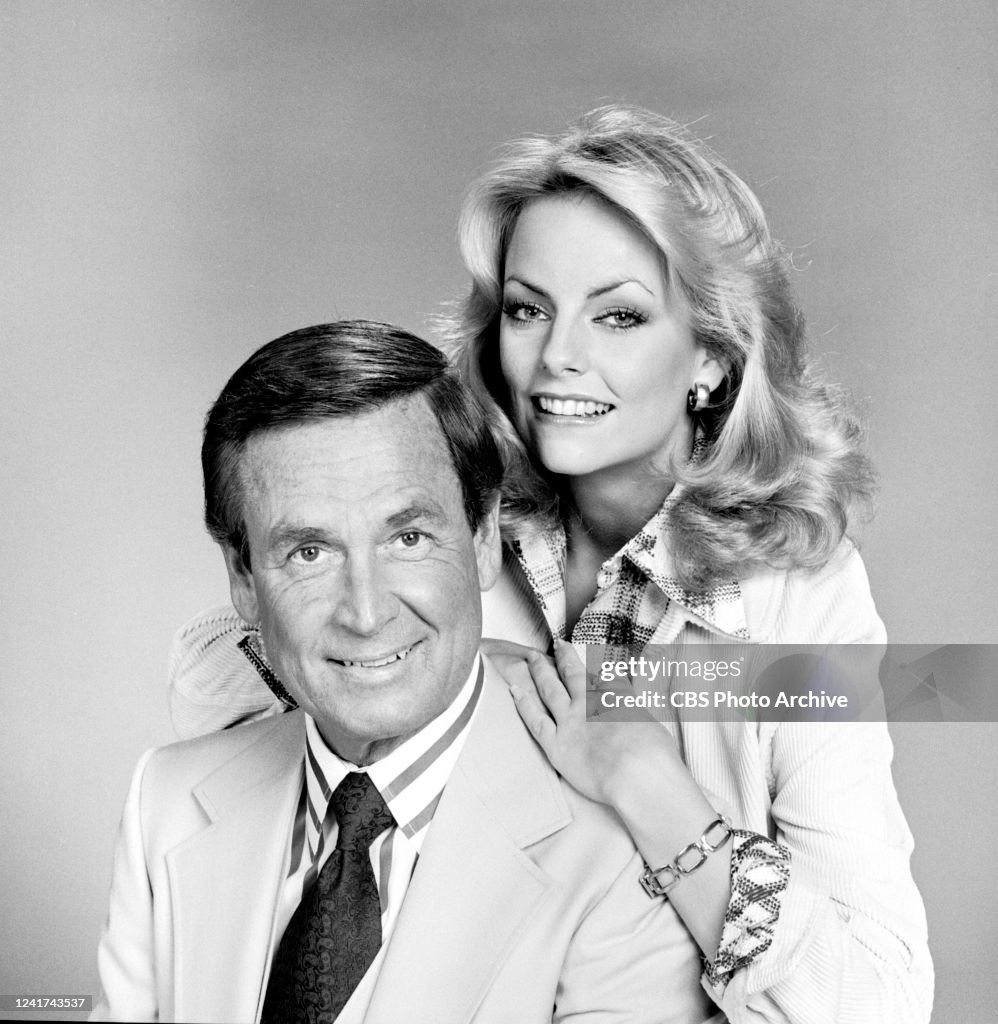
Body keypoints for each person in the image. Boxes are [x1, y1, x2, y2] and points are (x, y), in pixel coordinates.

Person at [168, 108, 933, 1023]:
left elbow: (878, 999)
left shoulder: (797, 601)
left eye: (618, 315)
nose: (557, 356)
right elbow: (215, 686)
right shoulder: (460, 518)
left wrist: (647, 780)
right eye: (531, 309)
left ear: (713, 359)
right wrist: (487, 683)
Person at [92, 321, 716, 1024]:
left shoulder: (620, 850)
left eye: (408, 538)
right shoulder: (166, 804)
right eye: (309, 553)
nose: (364, 613)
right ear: (241, 575)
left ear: (483, 538)